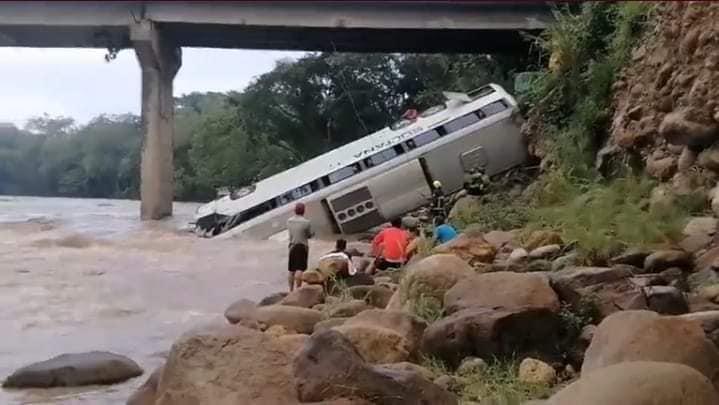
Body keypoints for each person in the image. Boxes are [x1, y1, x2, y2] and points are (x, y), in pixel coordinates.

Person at [287, 202, 313, 291]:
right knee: (300, 269)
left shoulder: (289, 221)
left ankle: (290, 290)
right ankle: (298, 289)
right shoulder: (306, 222)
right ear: (304, 211)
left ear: (295, 211)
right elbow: (309, 235)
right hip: (302, 246)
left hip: (292, 246)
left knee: (291, 271)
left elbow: (291, 234)